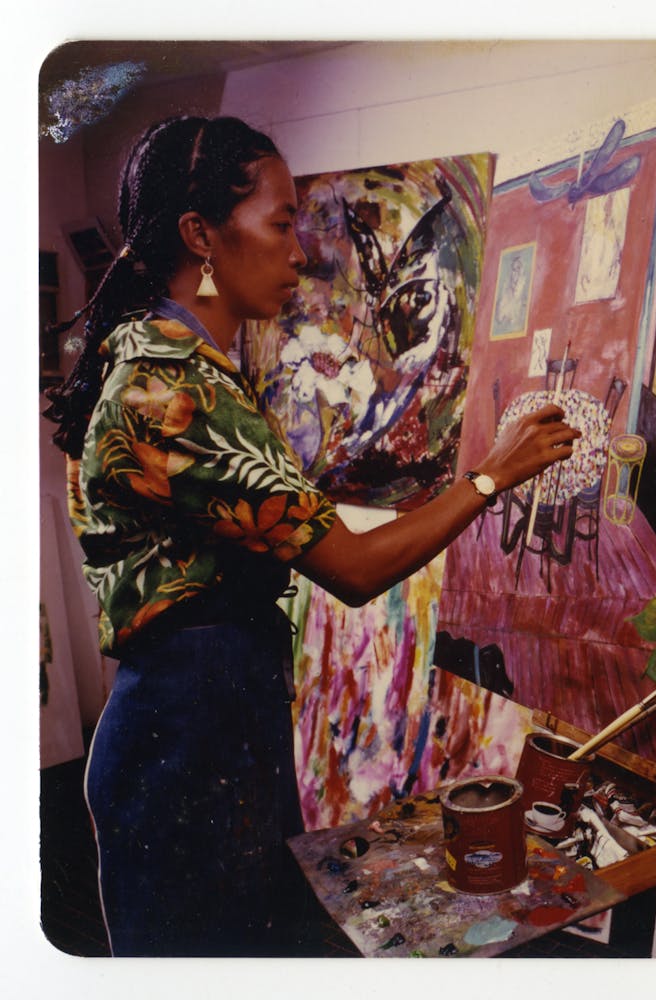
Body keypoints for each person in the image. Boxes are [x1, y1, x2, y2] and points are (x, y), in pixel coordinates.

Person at [42, 116, 580, 957]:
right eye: (281, 223)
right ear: (200, 236)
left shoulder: (178, 361)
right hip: (185, 752)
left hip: (209, 732)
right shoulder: (168, 389)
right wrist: (489, 476)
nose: (300, 252)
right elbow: (356, 568)